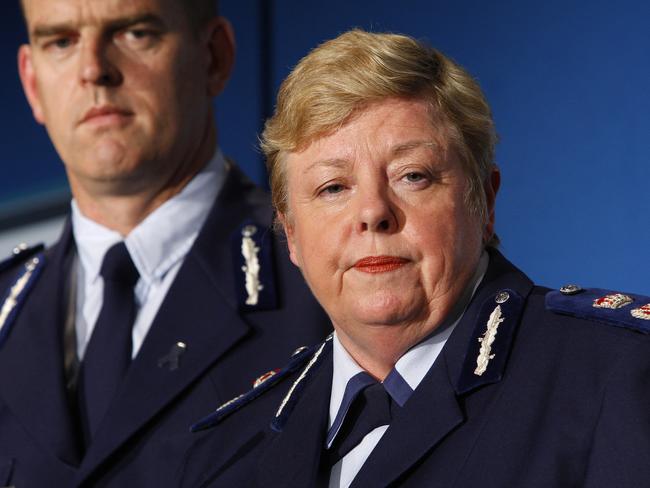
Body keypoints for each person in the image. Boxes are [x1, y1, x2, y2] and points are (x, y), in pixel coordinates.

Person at [179, 29, 650, 487]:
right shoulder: (227, 449)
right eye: (333, 187)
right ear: (292, 235)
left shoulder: (621, 377)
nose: (372, 214)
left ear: (484, 201)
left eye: (413, 176)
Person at [0, 0, 330, 486]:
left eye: (135, 33)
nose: (94, 70)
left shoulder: (326, 279)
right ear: (32, 82)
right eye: (62, 42)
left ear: (213, 56)